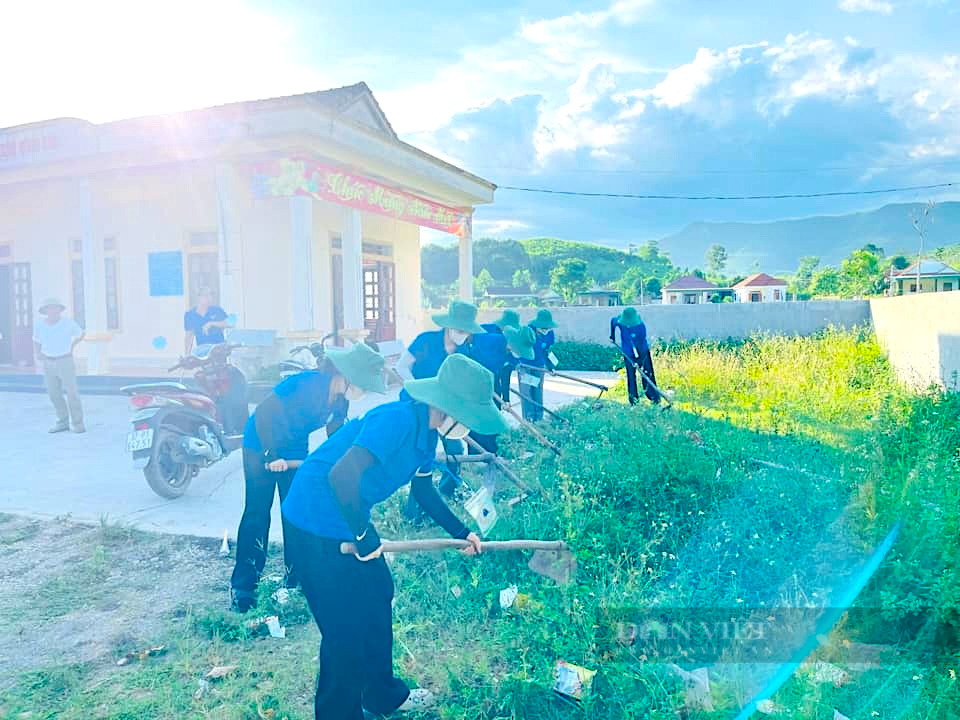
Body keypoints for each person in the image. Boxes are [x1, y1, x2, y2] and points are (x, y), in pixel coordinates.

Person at [281, 353, 508, 719]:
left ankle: (381, 696)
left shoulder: (424, 436)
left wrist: (462, 532)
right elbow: (341, 477)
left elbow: (424, 492)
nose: (468, 428)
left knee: (377, 593)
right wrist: (362, 532)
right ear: (448, 408)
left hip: (346, 516)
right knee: (344, 632)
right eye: (467, 419)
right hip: (313, 520)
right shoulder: (396, 421)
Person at [230, 342, 387, 613]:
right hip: (260, 444)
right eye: (362, 383)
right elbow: (265, 412)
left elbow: (337, 433)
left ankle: (295, 576)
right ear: (346, 374)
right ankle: (244, 587)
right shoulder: (308, 383)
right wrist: (270, 454)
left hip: (293, 450)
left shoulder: (340, 400)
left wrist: (346, 460)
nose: (362, 390)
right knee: (257, 513)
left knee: (295, 513)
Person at [394, 299, 485, 506]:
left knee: (455, 449)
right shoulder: (425, 341)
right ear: (448, 326)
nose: (462, 334)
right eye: (459, 329)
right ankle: (415, 508)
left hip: (446, 408)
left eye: (466, 330)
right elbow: (401, 367)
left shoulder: (464, 351)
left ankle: (449, 487)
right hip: (417, 406)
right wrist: (420, 390)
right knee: (422, 453)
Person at [32, 298, 85, 434]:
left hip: (65, 361)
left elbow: (81, 334)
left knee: (72, 393)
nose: (52, 311)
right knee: (53, 393)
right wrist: (38, 353)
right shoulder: (40, 325)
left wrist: (72, 346)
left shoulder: (68, 323)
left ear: (59, 309)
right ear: (45, 311)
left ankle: (78, 424)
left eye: (55, 308)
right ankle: (62, 422)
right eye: (49, 308)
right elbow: (36, 340)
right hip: (48, 362)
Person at [610, 307, 660, 405]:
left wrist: (638, 360)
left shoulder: (640, 327)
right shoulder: (619, 321)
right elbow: (612, 322)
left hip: (643, 352)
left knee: (647, 374)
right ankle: (633, 400)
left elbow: (641, 343)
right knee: (631, 376)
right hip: (628, 352)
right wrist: (612, 336)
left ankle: (654, 397)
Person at [519, 309, 559, 422]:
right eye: (543, 328)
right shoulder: (527, 332)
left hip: (539, 366)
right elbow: (517, 348)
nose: (545, 330)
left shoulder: (550, 334)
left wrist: (551, 367)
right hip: (525, 367)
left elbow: (547, 351)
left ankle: (539, 418)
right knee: (527, 392)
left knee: (537, 390)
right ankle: (528, 418)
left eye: (547, 328)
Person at [480, 309, 520, 403]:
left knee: (506, 381)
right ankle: (496, 404)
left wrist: (515, 362)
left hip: (506, 362)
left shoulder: (514, 333)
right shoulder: (487, 330)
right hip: (492, 364)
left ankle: (506, 400)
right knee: (495, 385)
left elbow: (515, 348)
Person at [184, 287, 232, 354]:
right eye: (206, 295)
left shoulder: (217, 310)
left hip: (219, 350)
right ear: (198, 297)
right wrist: (187, 355)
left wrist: (211, 323)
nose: (209, 298)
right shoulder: (190, 315)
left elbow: (230, 323)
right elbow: (189, 337)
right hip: (203, 351)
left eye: (210, 295)